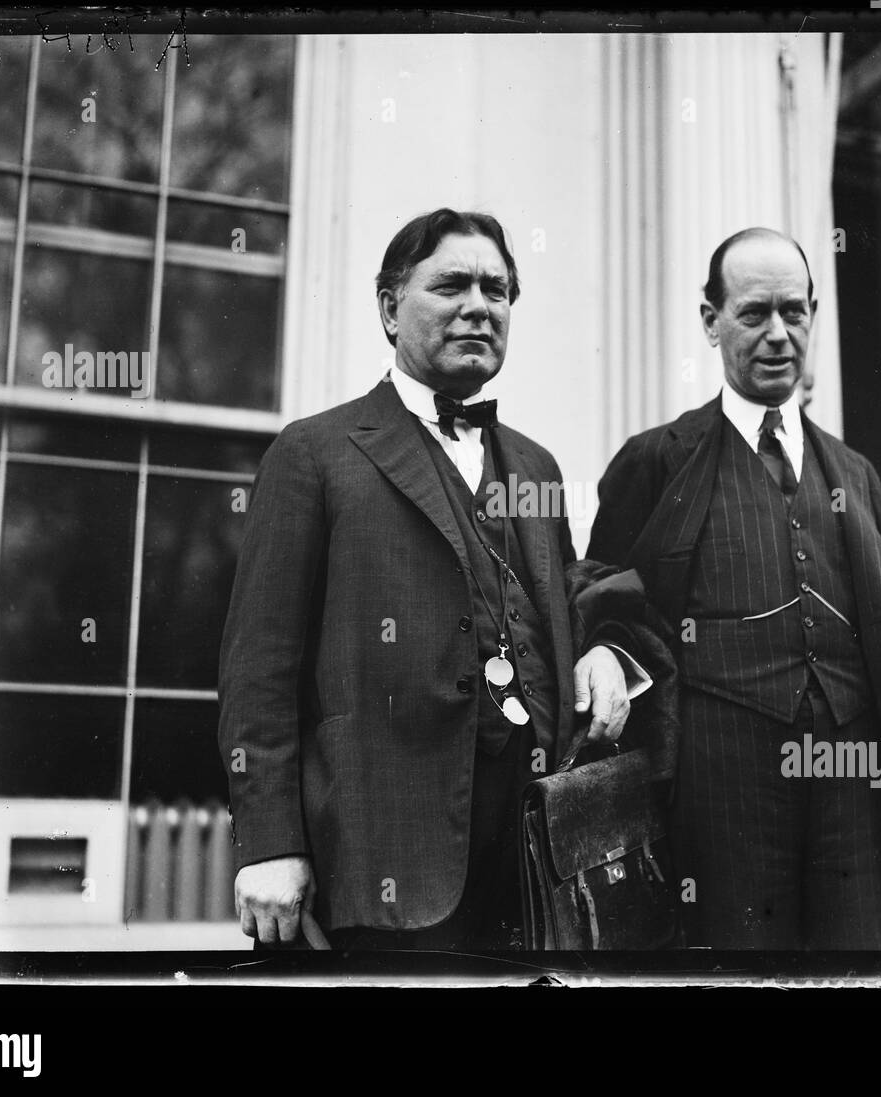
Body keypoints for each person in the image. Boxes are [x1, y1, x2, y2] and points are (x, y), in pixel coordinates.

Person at [218, 209, 650, 950]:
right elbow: (259, 669)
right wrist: (268, 842)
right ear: (390, 308)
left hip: (535, 858)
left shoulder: (536, 465)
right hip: (385, 857)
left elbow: (563, 605)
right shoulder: (315, 453)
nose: (478, 305)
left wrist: (604, 651)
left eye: (497, 288)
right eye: (450, 284)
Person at [587, 227, 881, 949]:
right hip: (721, 793)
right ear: (711, 322)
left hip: (858, 790)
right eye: (754, 314)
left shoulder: (857, 475)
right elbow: (600, 589)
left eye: (794, 312)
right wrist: (604, 654)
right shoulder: (657, 460)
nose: (778, 334)